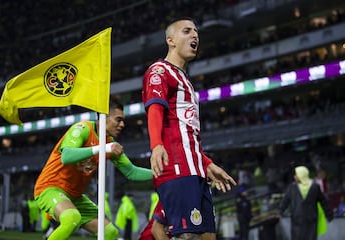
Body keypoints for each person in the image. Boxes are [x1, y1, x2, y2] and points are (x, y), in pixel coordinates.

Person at [142, 17, 237, 239]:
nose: (195, 35)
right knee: (187, 236)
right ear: (171, 40)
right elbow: (155, 109)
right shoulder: (159, 71)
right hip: (177, 169)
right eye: (187, 31)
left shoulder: (186, 81)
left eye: (196, 32)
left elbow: (187, 133)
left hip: (196, 171)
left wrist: (207, 164)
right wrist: (156, 145)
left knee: (207, 237)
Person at [33, 100, 153, 240]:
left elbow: (132, 172)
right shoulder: (83, 128)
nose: (122, 125)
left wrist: (161, 173)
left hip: (75, 196)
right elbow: (66, 157)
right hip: (49, 188)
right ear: (104, 117)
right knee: (72, 217)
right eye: (118, 120)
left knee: (109, 233)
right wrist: (103, 148)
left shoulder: (110, 143)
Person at [277, 165, 333, 240]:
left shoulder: (314, 187)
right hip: (298, 220)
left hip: (310, 220)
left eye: (297, 175)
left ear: (301, 175)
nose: (295, 177)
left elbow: (323, 201)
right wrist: (280, 211)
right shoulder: (293, 187)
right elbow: (285, 200)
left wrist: (329, 214)